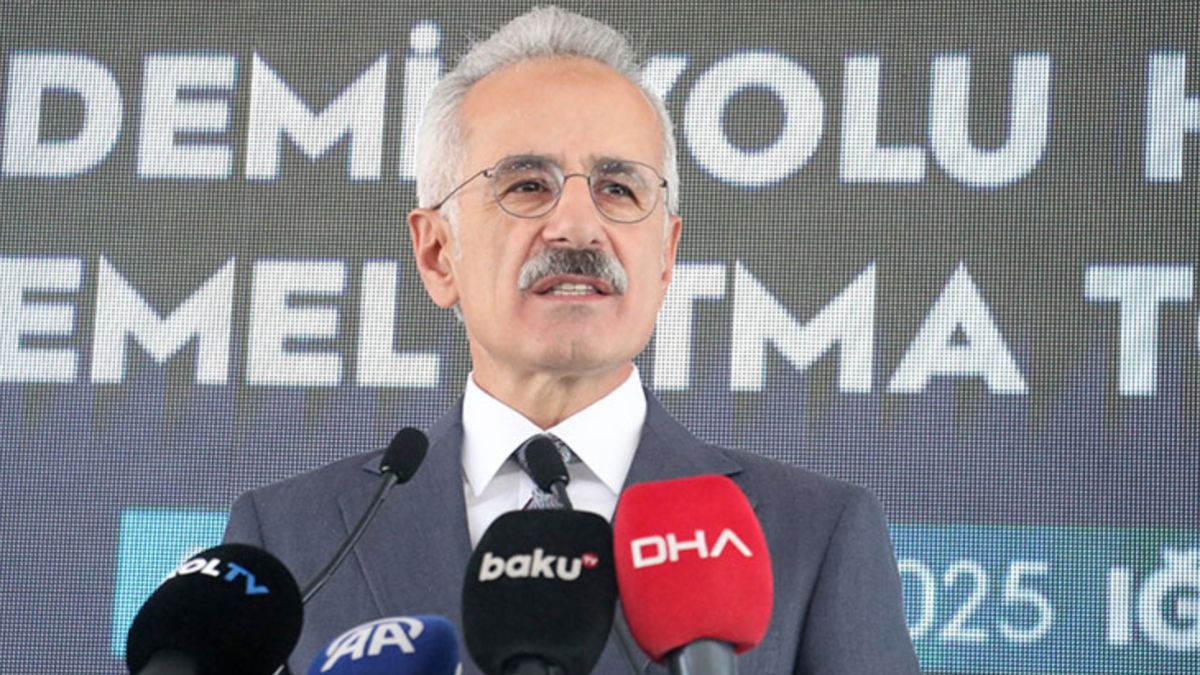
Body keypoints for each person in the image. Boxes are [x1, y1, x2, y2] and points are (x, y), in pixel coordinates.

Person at [224, 7, 921, 674]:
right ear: (437, 254)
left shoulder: (814, 534)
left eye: (618, 189)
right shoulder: (291, 541)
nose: (580, 227)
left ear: (666, 257)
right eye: (528, 185)